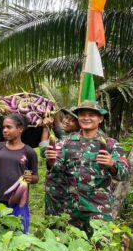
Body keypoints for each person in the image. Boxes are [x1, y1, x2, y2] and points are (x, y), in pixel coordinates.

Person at [47, 101, 128, 236]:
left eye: (91, 115)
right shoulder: (66, 142)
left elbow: (124, 174)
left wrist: (112, 164)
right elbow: (57, 169)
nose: (86, 118)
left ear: (100, 119)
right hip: (71, 209)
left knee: (101, 250)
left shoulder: (110, 144)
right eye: (82, 115)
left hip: (98, 209)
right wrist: (51, 161)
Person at [0, 114, 39, 233]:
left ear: (20, 129)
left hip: (18, 202)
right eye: (3, 127)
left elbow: (36, 177)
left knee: (18, 235)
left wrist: (30, 178)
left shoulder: (29, 152)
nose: (5, 130)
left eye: (9, 127)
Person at [40, 107, 80, 216]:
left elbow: (44, 152)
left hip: (61, 192)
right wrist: (55, 111)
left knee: (58, 222)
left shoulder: (70, 141)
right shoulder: (67, 135)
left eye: (72, 120)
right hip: (57, 191)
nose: (66, 121)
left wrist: (45, 129)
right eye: (66, 117)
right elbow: (58, 128)